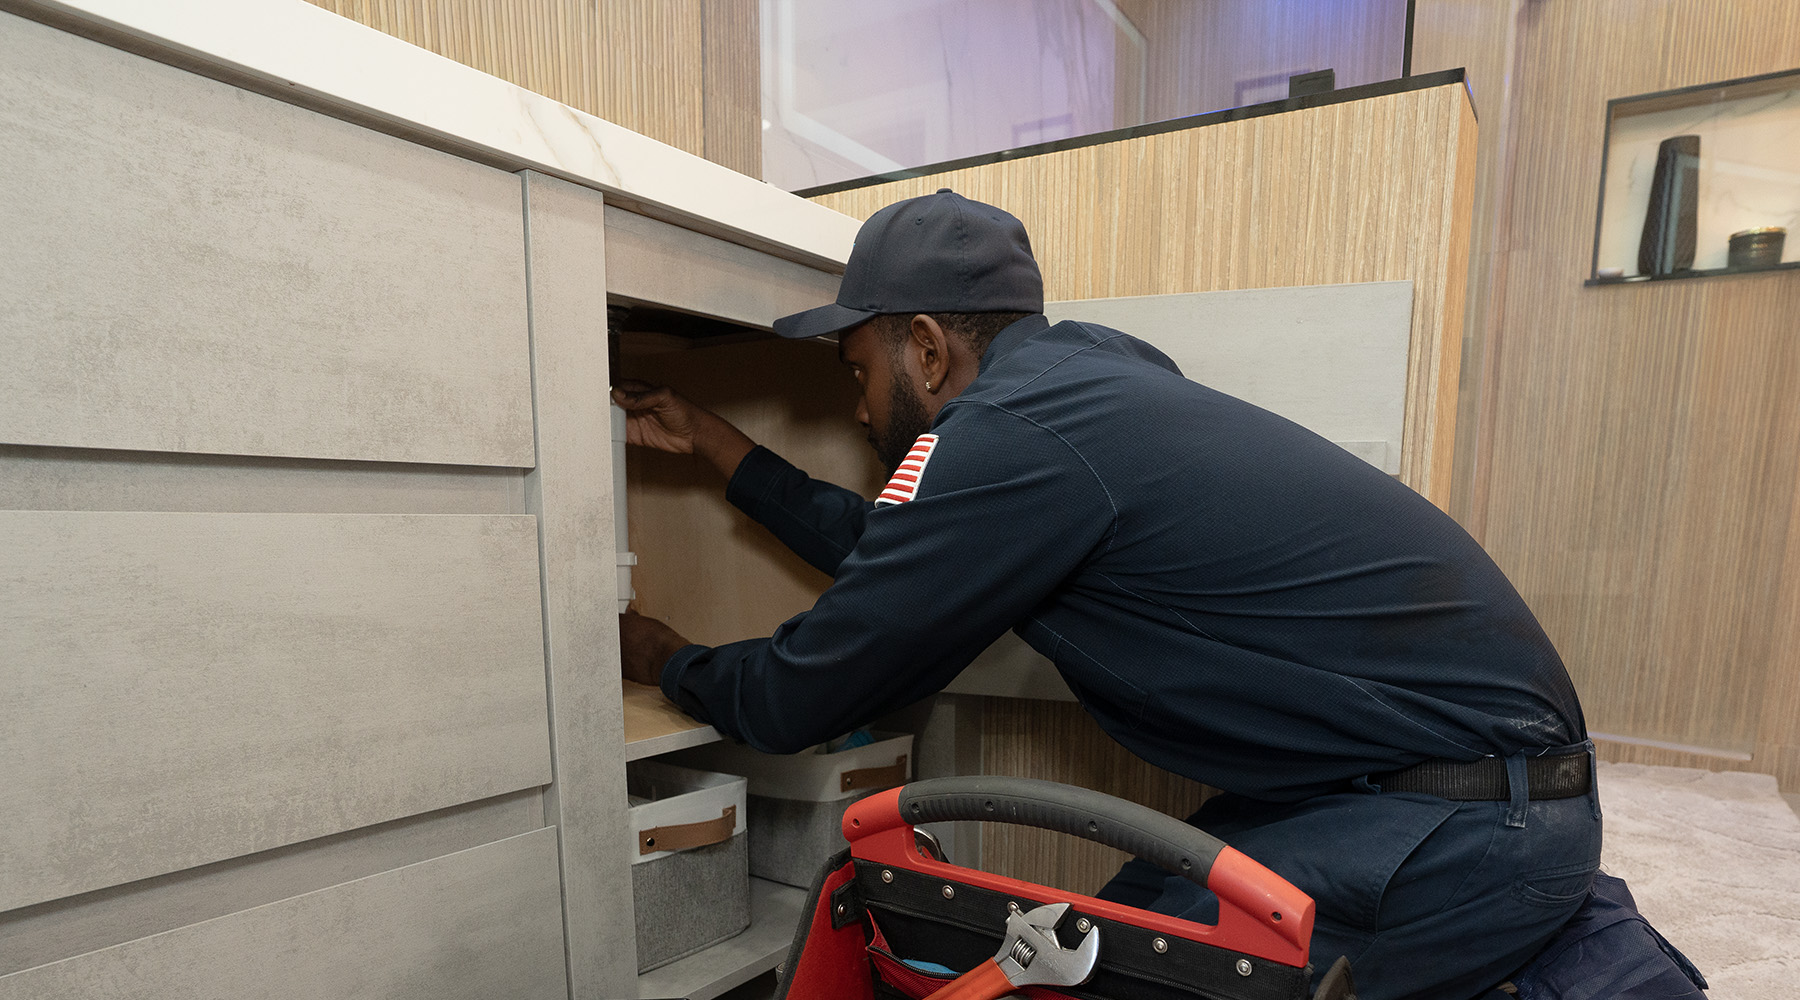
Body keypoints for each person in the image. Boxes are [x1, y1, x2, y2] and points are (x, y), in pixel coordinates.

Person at [613, 190, 1687, 999]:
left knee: (1093, 975)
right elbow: (897, 547)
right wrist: (720, 447)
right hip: (1438, 785)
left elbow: (800, 692)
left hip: (1456, 820)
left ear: (929, 351)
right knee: (1102, 927)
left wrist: (662, 655)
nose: (854, 406)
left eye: (856, 371)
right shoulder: (1078, 391)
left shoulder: (1005, 444)